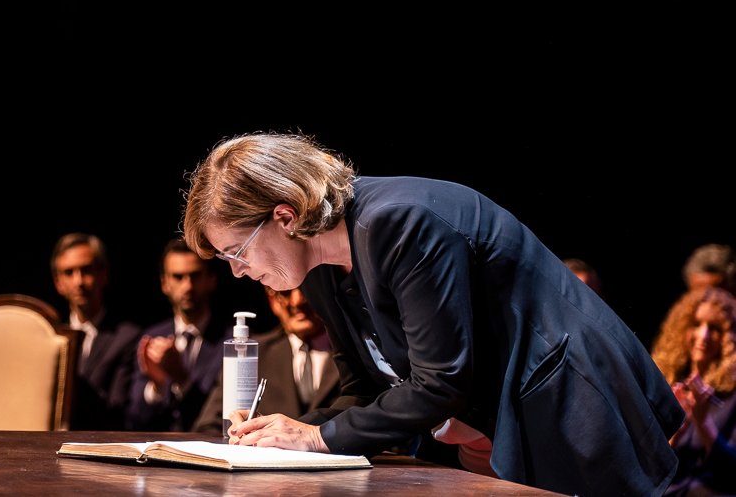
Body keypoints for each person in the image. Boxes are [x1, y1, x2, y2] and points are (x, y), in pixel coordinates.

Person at [181, 131, 684, 497]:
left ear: (286, 217)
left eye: (236, 252)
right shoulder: (318, 267)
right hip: (509, 425)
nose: (239, 271)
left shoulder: (401, 221)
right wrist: (284, 435)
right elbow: (366, 390)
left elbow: (442, 382)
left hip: (569, 409)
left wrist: (315, 437)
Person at [192, 285, 347, 437]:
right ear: (273, 301)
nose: (297, 301)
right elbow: (209, 426)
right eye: (285, 293)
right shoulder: (252, 354)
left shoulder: (352, 351)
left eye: (306, 290)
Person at [124, 237, 226, 431]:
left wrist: (182, 378)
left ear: (211, 280)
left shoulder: (232, 342)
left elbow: (221, 415)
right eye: (178, 277)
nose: (188, 286)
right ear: (165, 284)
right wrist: (157, 385)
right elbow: (133, 419)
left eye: (195, 276)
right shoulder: (151, 337)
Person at [50, 231, 142, 430]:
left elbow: (119, 409)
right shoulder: (50, 338)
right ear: (58, 283)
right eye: (69, 273)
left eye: (86, 270)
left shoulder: (126, 337)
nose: (79, 281)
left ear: (103, 274)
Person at [651, 285, 736, 496]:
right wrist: (674, 435)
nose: (703, 335)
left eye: (714, 328)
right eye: (697, 324)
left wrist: (703, 422)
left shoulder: (732, 397)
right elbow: (645, 467)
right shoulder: (668, 385)